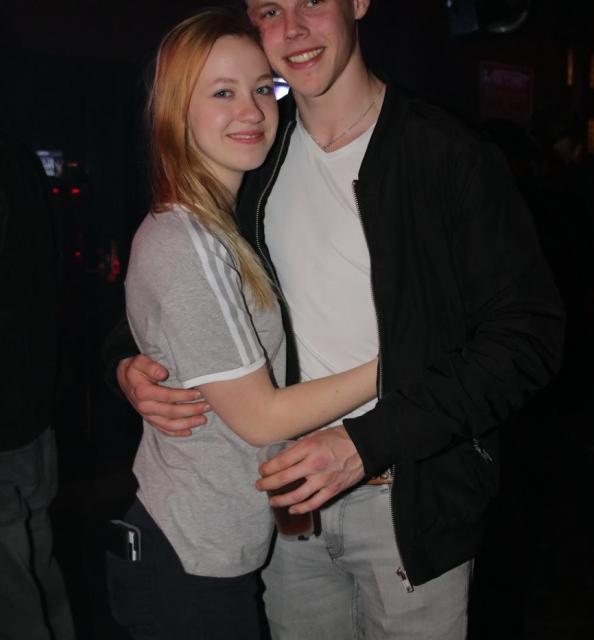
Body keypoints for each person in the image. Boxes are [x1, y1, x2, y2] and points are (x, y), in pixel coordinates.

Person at [105, 1, 564, 638]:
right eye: (271, 9)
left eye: (313, 1)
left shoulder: (445, 154)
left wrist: (367, 442)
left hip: (410, 500)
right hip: (286, 510)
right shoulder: (254, 153)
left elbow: (528, 339)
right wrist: (128, 364)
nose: (292, 29)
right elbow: (185, 285)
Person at [104, 8, 377, 640]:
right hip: (186, 560)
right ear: (177, 109)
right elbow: (260, 417)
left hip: (210, 550)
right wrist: (403, 360)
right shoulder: (186, 241)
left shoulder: (223, 224)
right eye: (222, 93)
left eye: (262, 88)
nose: (252, 110)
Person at [0, 132, 76, 639]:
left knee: (15, 601)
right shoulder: (16, 155)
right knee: (36, 575)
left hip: (13, 419)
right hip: (31, 407)